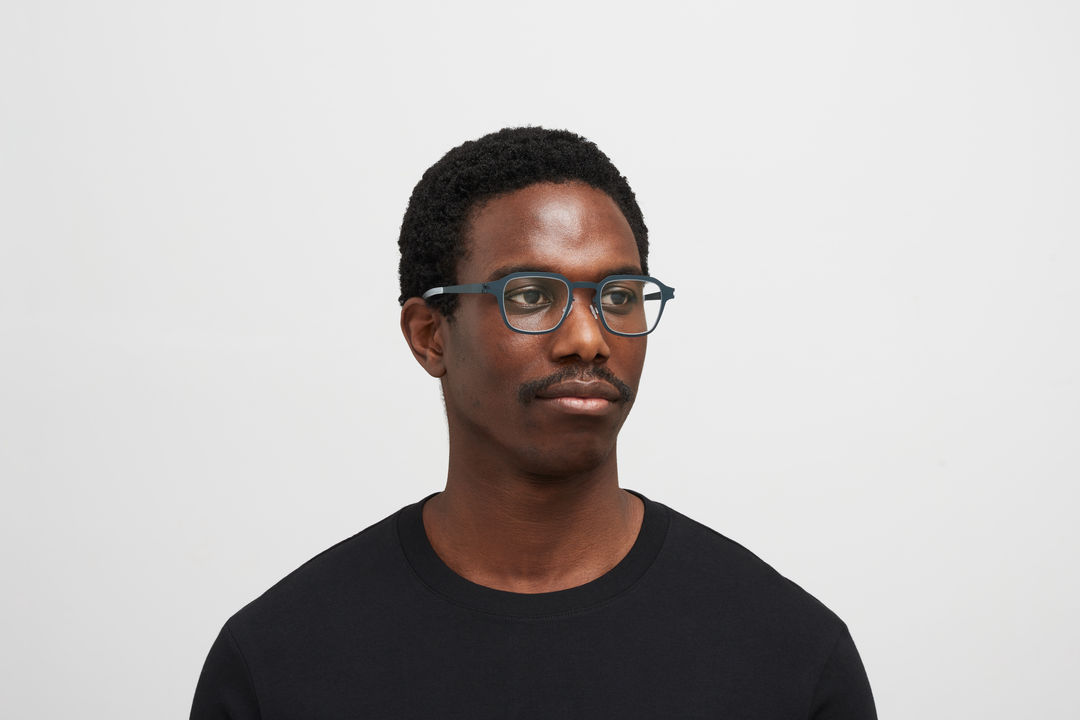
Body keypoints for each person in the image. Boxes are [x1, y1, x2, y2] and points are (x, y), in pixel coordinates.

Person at [190, 127, 877, 719]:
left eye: (619, 295)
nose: (588, 339)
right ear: (430, 335)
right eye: (530, 295)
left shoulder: (790, 656)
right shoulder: (279, 663)